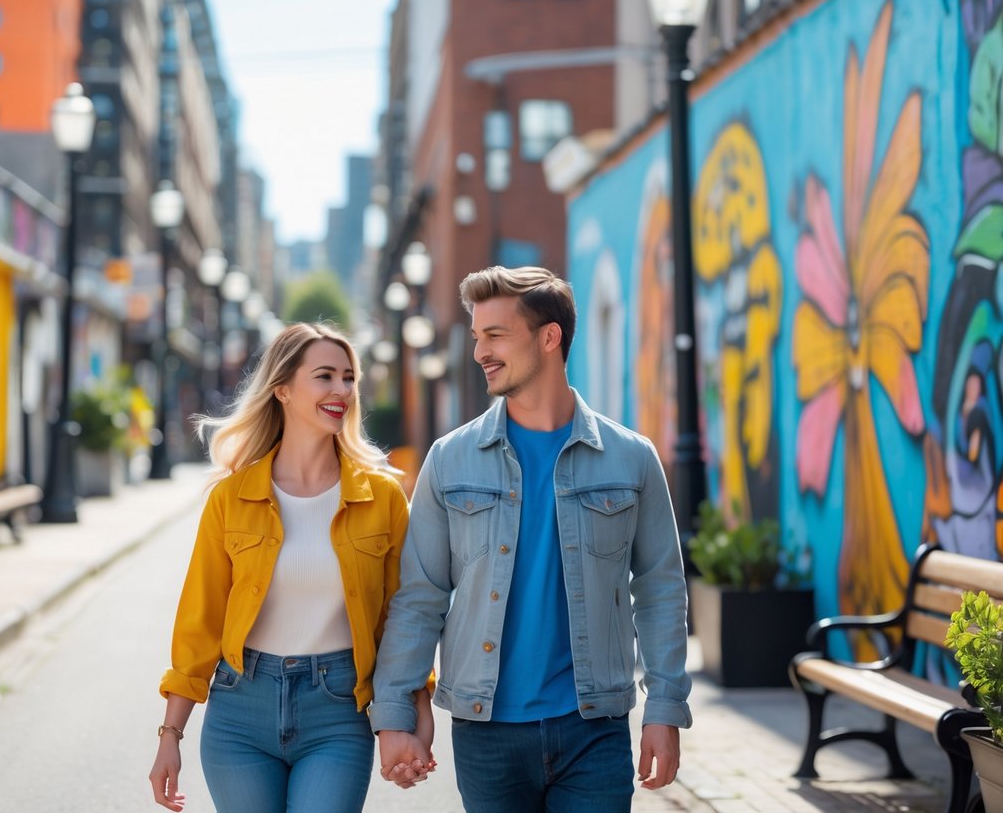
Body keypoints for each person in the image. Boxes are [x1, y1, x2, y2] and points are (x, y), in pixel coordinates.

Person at [369, 266, 692, 812]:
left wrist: (664, 706)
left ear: (549, 338)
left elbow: (660, 590)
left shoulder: (631, 457)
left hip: (593, 729)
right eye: (477, 337)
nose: (480, 353)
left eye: (495, 335)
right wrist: (396, 715)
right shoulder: (450, 459)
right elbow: (419, 597)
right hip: (487, 732)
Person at [148, 322, 434, 812]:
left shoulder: (382, 496)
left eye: (348, 378)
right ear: (282, 389)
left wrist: (415, 712)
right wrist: (170, 735)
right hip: (240, 711)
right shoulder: (231, 498)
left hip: (339, 712)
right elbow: (201, 620)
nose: (341, 390)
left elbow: (403, 617)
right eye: (324, 376)